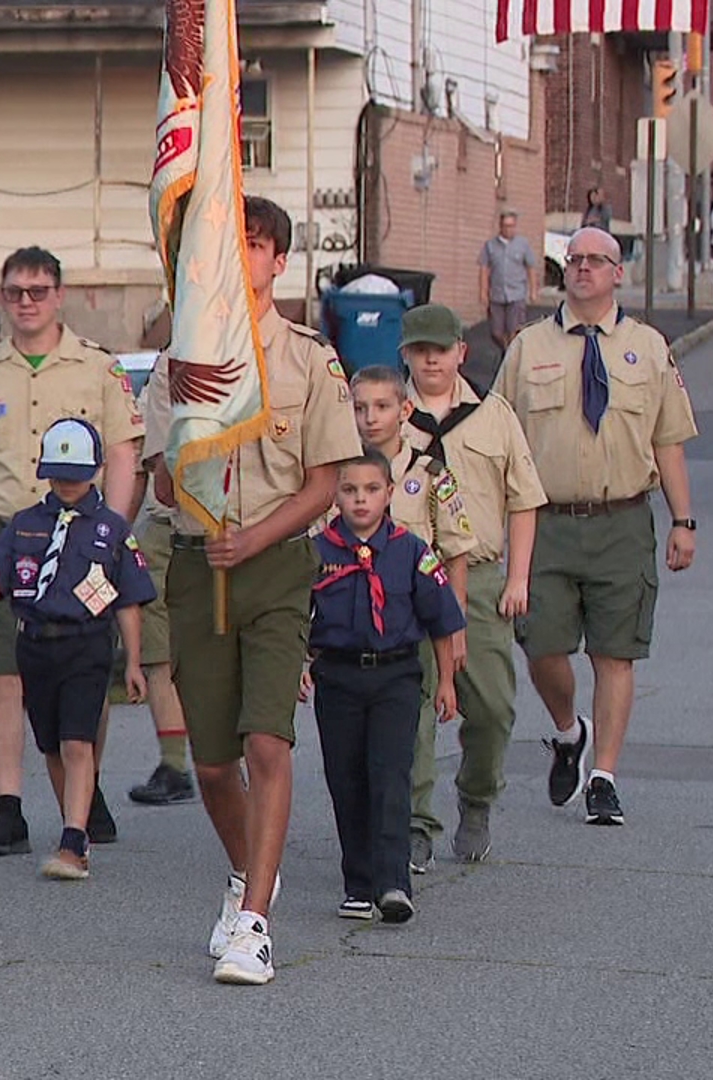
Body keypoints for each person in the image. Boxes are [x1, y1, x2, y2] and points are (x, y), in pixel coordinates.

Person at [142, 195, 361, 985]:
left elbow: (326, 481)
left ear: (279, 261)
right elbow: (162, 488)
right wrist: (183, 435)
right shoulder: (182, 358)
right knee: (210, 762)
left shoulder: (307, 358)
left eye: (258, 245)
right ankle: (246, 874)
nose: (245, 258)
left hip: (274, 563)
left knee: (267, 738)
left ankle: (257, 924)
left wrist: (258, 537)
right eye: (231, 245)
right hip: (199, 563)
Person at [0, 246, 144, 858]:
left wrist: (113, 529)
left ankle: (85, 792)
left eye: (37, 290)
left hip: (83, 535)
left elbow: (124, 454)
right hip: (6, 535)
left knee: (84, 674)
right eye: (14, 292)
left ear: (59, 295)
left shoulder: (97, 370)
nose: (25, 302)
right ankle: (9, 809)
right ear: (1, 299)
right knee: (1, 674)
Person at [493, 227, 698, 827]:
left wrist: (684, 521)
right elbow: (496, 440)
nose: (582, 269)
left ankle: (604, 777)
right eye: (574, 260)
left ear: (618, 274)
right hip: (545, 523)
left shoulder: (650, 347)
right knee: (541, 644)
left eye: (596, 261)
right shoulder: (528, 347)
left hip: (622, 519)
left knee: (616, 653)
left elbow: (670, 442)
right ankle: (567, 731)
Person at [399, 305, 547, 864]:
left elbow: (524, 499)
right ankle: (415, 820)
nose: (431, 358)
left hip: (481, 579)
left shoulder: (493, 415)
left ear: (462, 350)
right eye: (419, 349)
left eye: (442, 348)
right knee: (413, 702)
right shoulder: (392, 416)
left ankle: (478, 796)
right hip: (409, 576)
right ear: (406, 354)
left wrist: (519, 578)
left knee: (491, 705)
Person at [307, 453, 465, 925]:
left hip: (396, 676)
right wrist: (301, 663)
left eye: (371, 490)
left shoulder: (411, 549)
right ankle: (358, 882)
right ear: (335, 494)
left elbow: (441, 620)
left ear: (390, 493)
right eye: (351, 490)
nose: (360, 499)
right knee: (347, 778)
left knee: (391, 776)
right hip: (337, 676)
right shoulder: (317, 552)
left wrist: (447, 683)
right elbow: (296, 616)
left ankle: (394, 881)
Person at [0, 418, 155, 879]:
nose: (67, 483)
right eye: (59, 473)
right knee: (50, 742)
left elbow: (127, 599)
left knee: (77, 741)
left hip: (86, 645)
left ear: (96, 470)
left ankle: (73, 840)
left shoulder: (111, 529)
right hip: (35, 643)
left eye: (77, 473)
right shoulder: (25, 525)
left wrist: (134, 662)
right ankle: (77, 822)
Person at [342, 363, 477, 876]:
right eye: (360, 407)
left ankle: (415, 828)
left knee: (414, 733)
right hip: (355, 628)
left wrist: (454, 626)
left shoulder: (430, 473)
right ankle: (375, 832)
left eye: (381, 407)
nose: (370, 417)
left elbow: (456, 552)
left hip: (415, 624)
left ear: (404, 410)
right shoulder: (339, 473)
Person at [124, 433, 196, 807]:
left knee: (226, 648)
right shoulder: (157, 391)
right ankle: (173, 764)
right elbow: (139, 469)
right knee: (159, 651)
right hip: (163, 525)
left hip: (220, 526)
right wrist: (120, 534)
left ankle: (232, 758)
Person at [477, 210, 539, 348]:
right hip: (497, 295)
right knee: (496, 332)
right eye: (506, 226)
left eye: (512, 226)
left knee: (514, 330)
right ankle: (506, 351)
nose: (509, 229)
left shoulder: (523, 244)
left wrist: (533, 290)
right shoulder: (490, 245)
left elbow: (531, 267)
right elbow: (484, 269)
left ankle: (510, 357)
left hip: (517, 294)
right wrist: (483, 292)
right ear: (500, 226)